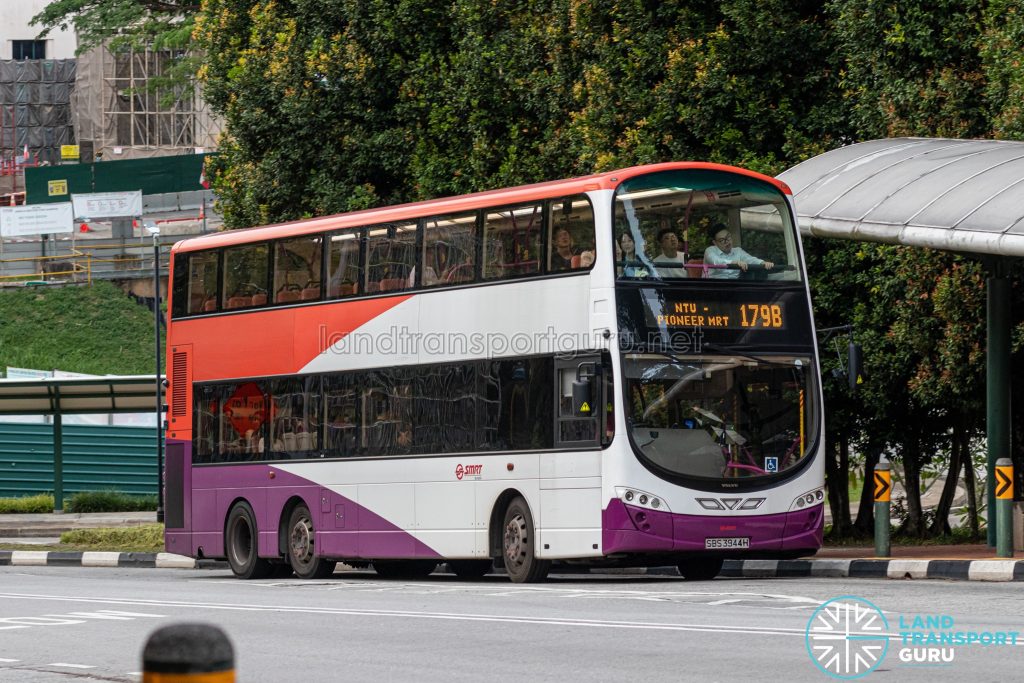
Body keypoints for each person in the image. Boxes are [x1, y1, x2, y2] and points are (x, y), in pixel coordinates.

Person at [703, 224, 774, 279]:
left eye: (728, 237)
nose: (727, 242)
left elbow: (750, 259)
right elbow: (716, 262)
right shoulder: (710, 250)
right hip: (713, 286)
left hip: (735, 285)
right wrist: (735, 262)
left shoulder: (738, 251)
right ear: (715, 243)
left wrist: (763, 263)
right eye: (722, 240)